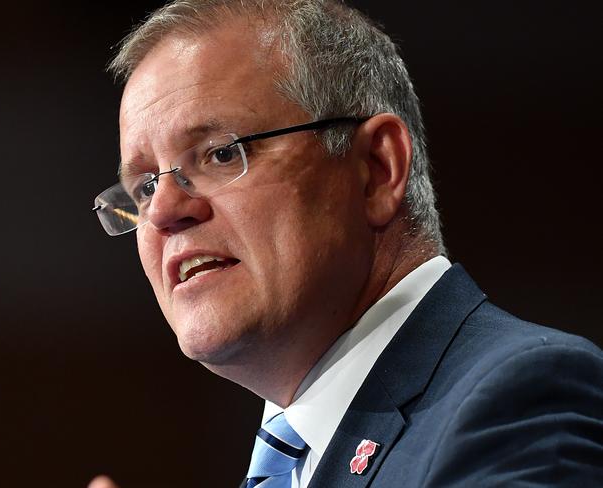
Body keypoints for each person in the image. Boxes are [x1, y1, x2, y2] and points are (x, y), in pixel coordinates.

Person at [90, 0, 603, 486]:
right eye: (144, 187)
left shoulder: (522, 399)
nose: (161, 211)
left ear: (377, 170)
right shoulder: (298, 458)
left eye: (221, 154)